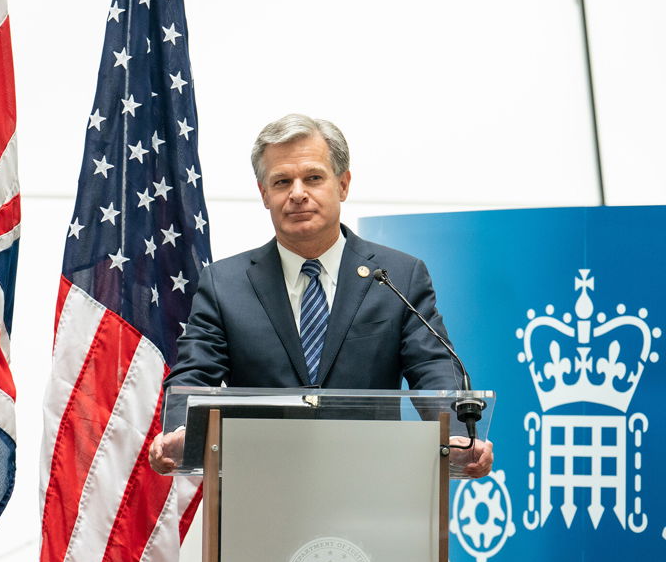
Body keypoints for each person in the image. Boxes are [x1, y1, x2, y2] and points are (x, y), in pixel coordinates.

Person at [148, 113, 492, 477]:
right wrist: (181, 431)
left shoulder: (398, 277)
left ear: (343, 185)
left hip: (374, 483)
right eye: (282, 181)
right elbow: (195, 371)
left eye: (313, 177)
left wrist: (457, 435)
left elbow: (433, 366)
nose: (298, 193)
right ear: (265, 194)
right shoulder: (225, 283)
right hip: (259, 484)